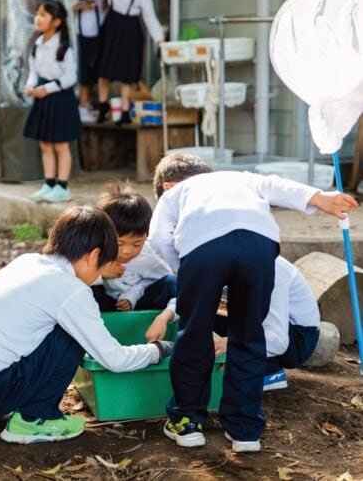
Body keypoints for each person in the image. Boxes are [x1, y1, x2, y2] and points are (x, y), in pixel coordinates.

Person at [148, 153, 357, 452]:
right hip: (258, 245)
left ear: (166, 187)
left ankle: (187, 422)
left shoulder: (175, 194)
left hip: (203, 248)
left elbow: (158, 237)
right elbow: (276, 185)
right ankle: (245, 432)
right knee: (249, 336)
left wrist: (183, 267)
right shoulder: (240, 178)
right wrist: (319, 197)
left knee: (194, 334)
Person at [0, 206, 172, 444]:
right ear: (93, 255)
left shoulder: (27, 262)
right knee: (71, 334)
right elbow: (114, 360)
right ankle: (34, 418)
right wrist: (159, 350)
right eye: (102, 265)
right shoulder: (70, 290)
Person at [147, 254, 321, 391]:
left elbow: (279, 339)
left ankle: (269, 368)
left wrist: (231, 344)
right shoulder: (221, 260)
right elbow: (194, 295)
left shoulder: (271, 271)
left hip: (296, 338)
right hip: (253, 320)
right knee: (202, 310)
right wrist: (163, 317)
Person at [63, 0, 164, 125]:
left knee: (127, 73)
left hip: (130, 29)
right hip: (111, 27)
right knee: (104, 69)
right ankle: (103, 107)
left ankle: (124, 111)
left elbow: (150, 16)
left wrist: (160, 40)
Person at [91, 183, 177, 323]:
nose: (127, 251)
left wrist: (131, 297)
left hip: (137, 305)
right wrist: (99, 273)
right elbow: (69, 276)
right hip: (102, 307)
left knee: (171, 282)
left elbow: (158, 282)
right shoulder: (93, 250)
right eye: (120, 243)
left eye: (137, 244)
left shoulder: (149, 256)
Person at [23, 0, 81, 203]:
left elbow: (70, 78)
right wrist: (30, 86)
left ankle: (62, 186)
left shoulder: (64, 48)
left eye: (43, 15)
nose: (37, 18)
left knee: (60, 145)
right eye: (37, 14)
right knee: (45, 144)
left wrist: (47, 89)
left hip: (60, 99)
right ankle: (48, 184)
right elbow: (33, 72)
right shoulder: (36, 45)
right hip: (42, 99)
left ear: (56, 21)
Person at [72, 0, 107, 123]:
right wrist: (81, 6)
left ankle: (100, 107)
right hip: (83, 37)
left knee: (101, 74)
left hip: (100, 36)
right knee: (85, 76)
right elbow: (67, 8)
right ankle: (82, 107)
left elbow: (108, 8)